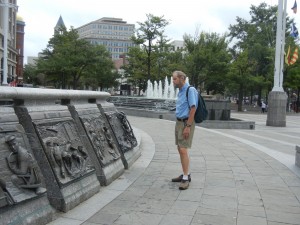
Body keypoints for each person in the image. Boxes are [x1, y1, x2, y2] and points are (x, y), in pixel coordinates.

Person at [171, 71, 198, 190]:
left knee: (183, 149)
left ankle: (186, 178)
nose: (173, 81)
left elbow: (193, 109)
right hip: (179, 122)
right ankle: (185, 173)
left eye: (175, 79)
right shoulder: (181, 91)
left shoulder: (190, 90)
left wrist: (188, 126)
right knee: (180, 148)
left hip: (186, 123)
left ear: (182, 78)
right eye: (172, 79)